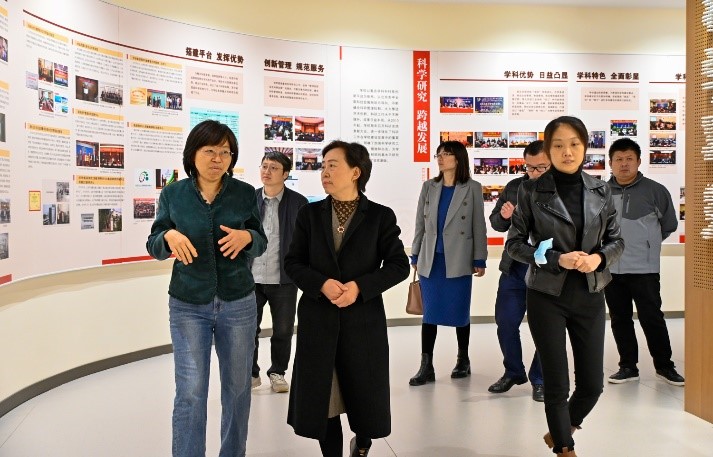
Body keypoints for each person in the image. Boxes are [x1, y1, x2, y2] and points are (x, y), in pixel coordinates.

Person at [146, 120, 267, 457]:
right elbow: (154, 244)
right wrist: (168, 236)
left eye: (225, 152)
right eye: (210, 150)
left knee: (238, 389)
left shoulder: (244, 193)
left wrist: (248, 237)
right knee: (191, 391)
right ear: (193, 154)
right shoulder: (173, 194)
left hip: (238, 302)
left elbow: (261, 241)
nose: (218, 158)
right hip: (188, 303)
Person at [506, 116, 624, 457]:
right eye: (558, 145)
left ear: (585, 147)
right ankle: (564, 446)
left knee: (592, 385)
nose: (567, 152)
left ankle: (561, 429)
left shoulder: (601, 190)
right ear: (548, 149)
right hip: (546, 295)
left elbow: (617, 241)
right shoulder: (530, 190)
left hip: (590, 293)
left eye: (574, 144)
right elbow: (515, 244)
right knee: (556, 383)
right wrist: (558, 258)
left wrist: (598, 258)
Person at [284, 140, 409, 457]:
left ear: (356, 172)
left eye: (333, 165)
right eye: (323, 165)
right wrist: (321, 283)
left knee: (365, 398)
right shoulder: (309, 215)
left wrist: (360, 287)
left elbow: (398, 265)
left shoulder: (380, 216)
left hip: (362, 321)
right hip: (319, 319)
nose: (324, 171)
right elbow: (293, 263)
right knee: (324, 400)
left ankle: (363, 445)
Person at [604, 138, 684, 386]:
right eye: (619, 159)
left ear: (639, 161)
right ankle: (628, 366)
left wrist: (647, 244)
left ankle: (665, 366)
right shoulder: (601, 192)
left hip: (644, 268)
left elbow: (669, 225)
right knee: (619, 318)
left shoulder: (655, 190)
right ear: (610, 163)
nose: (624, 164)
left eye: (629, 158)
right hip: (611, 268)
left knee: (652, 317)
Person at [409, 140, 488, 386]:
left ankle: (463, 359)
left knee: (460, 312)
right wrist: (415, 254)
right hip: (431, 259)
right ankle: (426, 366)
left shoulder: (472, 188)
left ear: (458, 158)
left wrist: (480, 258)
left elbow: (478, 225)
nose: (441, 158)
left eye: (446, 154)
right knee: (429, 314)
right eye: (439, 154)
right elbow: (420, 224)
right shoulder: (429, 187)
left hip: (459, 258)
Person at [488, 140, 549, 402]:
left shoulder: (560, 189)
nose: (535, 173)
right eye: (530, 167)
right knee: (505, 321)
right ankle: (513, 371)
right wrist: (503, 216)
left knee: (545, 327)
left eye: (541, 167)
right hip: (514, 266)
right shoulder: (514, 187)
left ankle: (540, 379)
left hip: (546, 269)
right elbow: (496, 223)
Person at [251, 151, 308, 392]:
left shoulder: (299, 203)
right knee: (248, 329)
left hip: (283, 278)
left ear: (285, 174)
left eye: (273, 168)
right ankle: (251, 373)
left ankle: (277, 372)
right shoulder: (249, 199)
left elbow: (306, 241)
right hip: (250, 278)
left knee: (283, 330)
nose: (267, 171)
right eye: (264, 166)